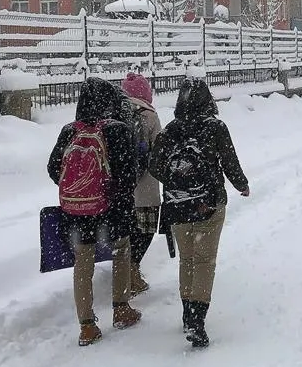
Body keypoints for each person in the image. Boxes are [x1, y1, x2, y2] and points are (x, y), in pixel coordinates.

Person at [149, 78, 249, 348]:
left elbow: (154, 165)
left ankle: (187, 314)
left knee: (187, 260)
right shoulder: (215, 127)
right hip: (208, 204)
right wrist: (241, 184)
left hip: (177, 204)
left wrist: (176, 179)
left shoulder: (171, 129)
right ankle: (197, 319)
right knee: (204, 261)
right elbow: (229, 161)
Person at [47, 77, 142, 347]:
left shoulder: (69, 131)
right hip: (112, 209)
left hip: (76, 211)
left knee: (83, 263)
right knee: (121, 251)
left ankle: (87, 326)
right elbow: (129, 173)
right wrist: (112, 193)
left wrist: (79, 188)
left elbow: (53, 168)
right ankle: (121, 308)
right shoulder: (117, 129)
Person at [120, 72, 163, 297]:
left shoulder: (114, 113)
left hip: (121, 187)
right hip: (145, 188)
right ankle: (133, 270)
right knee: (144, 231)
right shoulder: (150, 115)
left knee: (125, 232)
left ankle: (123, 272)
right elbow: (160, 150)